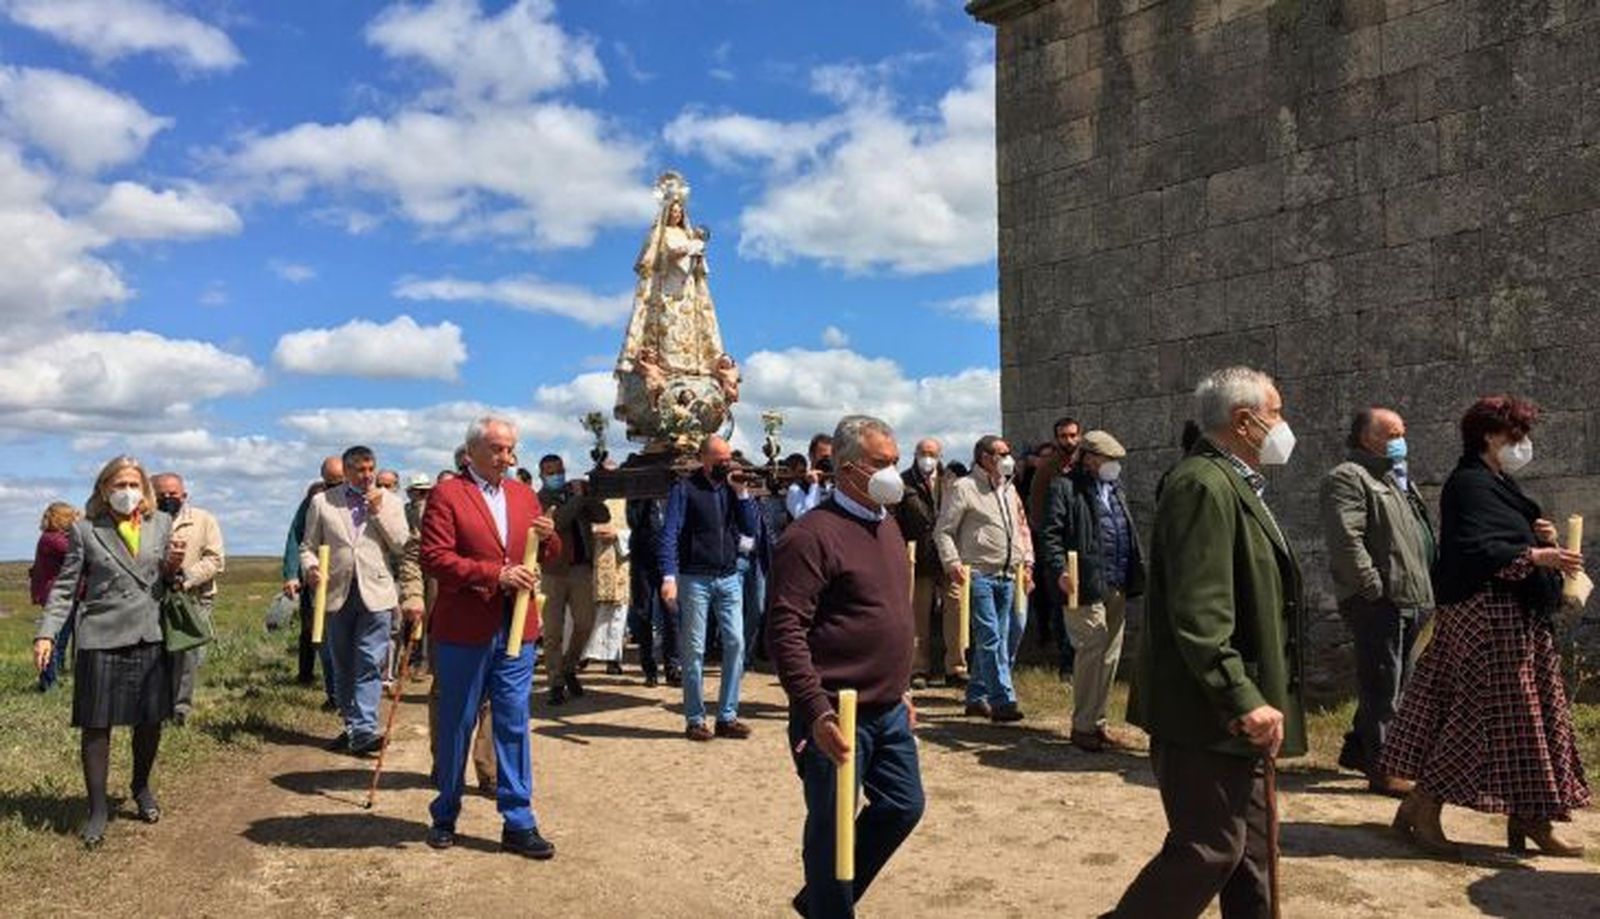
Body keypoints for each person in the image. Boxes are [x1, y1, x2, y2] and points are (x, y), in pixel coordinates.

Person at [1109, 367, 1305, 919]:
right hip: (1206, 711)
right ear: (1244, 421)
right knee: (1210, 849)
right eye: (1278, 412)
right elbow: (1200, 612)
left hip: (1242, 707)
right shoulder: (1201, 484)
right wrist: (1240, 696)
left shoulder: (1237, 482)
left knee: (1253, 856)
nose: (1284, 425)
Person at [1380, 396, 1590, 858]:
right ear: (1489, 436)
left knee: (1533, 719)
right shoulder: (1468, 484)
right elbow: (1474, 548)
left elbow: (1502, 536)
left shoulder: (1500, 483)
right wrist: (1535, 555)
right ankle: (1423, 803)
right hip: (1484, 617)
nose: (1523, 444)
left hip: (1515, 619)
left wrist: (1542, 539)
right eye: (1516, 435)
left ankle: (1533, 817)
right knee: (1479, 716)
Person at [768, 415, 924, 919]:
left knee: (903, 805)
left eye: (896, 463)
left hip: (888, 708)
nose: (893, 473)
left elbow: (890, 612)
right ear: (849, 468)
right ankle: (832, 910)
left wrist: (902, 687)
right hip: (837, 712)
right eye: (882, 464)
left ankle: (819, 904)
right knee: (832, 826)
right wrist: (816, 711)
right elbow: (785, 629)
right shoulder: (811, 536)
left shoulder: (889, 526)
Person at [419, 415, 560, 858]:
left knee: (514, 720)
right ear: (472, 452)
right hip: (465, 628)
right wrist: (494, 574)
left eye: (511, 448)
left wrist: (550, 538)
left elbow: (548, 557)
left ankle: (519, 820)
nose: (507, 457)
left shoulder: (524, 495)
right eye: (498, 449)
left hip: (518, 627)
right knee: (458, 719)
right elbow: (435, 558)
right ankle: (445, 810)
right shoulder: (448, 494)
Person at [33, 456, 179, 847]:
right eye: (119, 485)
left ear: (144, 488)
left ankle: (141, 787)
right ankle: (97, 808)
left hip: (149, 634)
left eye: (133, 484)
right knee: (97, 726)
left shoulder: (161, 524)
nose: (127, 492)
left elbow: (168, 579)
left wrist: (174, 567)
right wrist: (46, 633)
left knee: (149, 721)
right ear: (103, 490)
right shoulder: (85, 530)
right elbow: (65, 588)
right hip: (100, 636)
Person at [1318, 407, 1436, 798]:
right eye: (1393, 432)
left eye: (1403, 430)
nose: (1402, 438)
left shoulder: (1397, 480)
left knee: (1398, 683)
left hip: (1412, 598)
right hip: (1381, 601)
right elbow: (1346, 540)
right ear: (1369, 438)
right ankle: (1384, 768)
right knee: (1383, 685)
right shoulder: (1350, 477)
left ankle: (1358, 751)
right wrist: (1371, 587)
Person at [299, 446, 417, 755]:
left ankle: (364, 728)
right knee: (342, 664)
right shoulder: (322, 502)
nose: (366, 476)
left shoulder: (390, 502)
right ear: (347, 471)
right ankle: (352, 725)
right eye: (358, 470)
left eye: (370, 469)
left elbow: (401, 545)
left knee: (369, 658)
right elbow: (308, 546)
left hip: (376, 593)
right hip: (336, 592)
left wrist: (378, 513)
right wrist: (311, 567)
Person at [1040, 430, 1146, 753]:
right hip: (1081, 583)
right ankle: (1083, 725)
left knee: (1110, 654)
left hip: (1115, 582)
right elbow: (1051, 534)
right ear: (1089, 458)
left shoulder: (1115, 489)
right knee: (1091, 647)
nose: (1113, 465)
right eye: (1107, 459)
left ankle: (1098, 722)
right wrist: (1060, 569)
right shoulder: (1065, 488)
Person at [659, 435, 758, 741]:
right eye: (718, 459)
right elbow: (670, 532)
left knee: (735, 643)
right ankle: (695, 718)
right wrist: (669, 576)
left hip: (729, 576)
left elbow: (751, 529)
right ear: (703, 458)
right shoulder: (684, 489)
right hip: (694, 578)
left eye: (727, 458)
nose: (725, 464)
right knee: (694, 648)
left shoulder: (733, 489)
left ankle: (727, 716)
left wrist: (742, 494)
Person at [933, 435, 1033, 723]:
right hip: (978, 573)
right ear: (984, 457)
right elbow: (944, 530)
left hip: (1008, 573)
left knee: (1004, 636)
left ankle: (977, 696)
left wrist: (1026, 563)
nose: (1007, 458)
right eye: (1001, 453)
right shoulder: (964, 487)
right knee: (990, 636)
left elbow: (1021, 528)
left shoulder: (1010, 489)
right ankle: (1002, 699)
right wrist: (952, 562)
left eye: (1008, 452)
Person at [537, 455, 613, 705]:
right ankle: (555, 681)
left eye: (559, 471)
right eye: (550, 473)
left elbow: (602, 515)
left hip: (580, 569)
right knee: (552, 631)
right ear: (542, 476)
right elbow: (557, 523)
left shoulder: (575, 493)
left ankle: (569, 666)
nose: (556, 476)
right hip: (553, 571)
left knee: (585, 623)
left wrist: (588, 494)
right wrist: (578, 499)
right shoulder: (540, 499)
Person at [151, 473, 225, 726]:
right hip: (154, 597)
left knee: (187, 656)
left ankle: (179, 710)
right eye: (161, 494)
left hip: (193, 597)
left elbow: (215, 559)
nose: (168, 498)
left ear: (184, 495)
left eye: (173, 494)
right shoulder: (144, 521)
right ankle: (156, 708)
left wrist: (187, 577)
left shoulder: (204, 520)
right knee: (155, 654)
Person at [896, 438, 965, 689]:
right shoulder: (903, 483)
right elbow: (896, 520)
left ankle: (955, 667)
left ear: (940, 455)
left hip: (949, 557)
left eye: (932, 453)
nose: (927, 458)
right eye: (923, 453)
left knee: (956, 612)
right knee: (918, 615)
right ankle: (919, 668)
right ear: (915, 454)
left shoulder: (952, 480)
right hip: (920, 557)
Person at [284, 456, 344, 704]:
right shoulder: (313, 503)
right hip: (318, 580)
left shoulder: (365, 500)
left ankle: (353, 695)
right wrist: (291, 574)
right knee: (322, 638)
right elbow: (296, 539)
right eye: (330, 483)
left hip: (353, 582)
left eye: (339, 481)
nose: (335, 488)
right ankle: (334, 694)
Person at [628, 496, 678, 688]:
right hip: (643, 560)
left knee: (672, 613)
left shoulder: (673, 496)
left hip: (668, 560)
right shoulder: (636, 497)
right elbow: (633, 521)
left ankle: (672, 667)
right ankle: (649, 669)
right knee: (643, 614)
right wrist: (646, 500)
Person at [31, 501, 80, 691]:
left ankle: (55, 679)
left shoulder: (51, 537)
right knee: (54, 641)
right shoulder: (52, 539)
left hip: (64, 594)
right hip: (57, 596)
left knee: (61, 640)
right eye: (72, 516)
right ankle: (48, 682)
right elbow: (75, 552)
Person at [583, 488, 630, 676]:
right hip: (592, 562)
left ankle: (612, 657)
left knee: (617, 613)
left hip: (619, 563)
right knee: (589, 612)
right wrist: (593, 530)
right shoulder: (589, 501)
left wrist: (618, 535)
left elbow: (636, 529)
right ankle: (584, 654)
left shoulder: (627, 501)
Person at [786, 434, 835, 521]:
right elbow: (806, 519)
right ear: (811, 456)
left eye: (831, 458)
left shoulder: (833, 486)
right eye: (824, 457)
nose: (828, 462)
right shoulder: (796, 489)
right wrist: (814, 485)